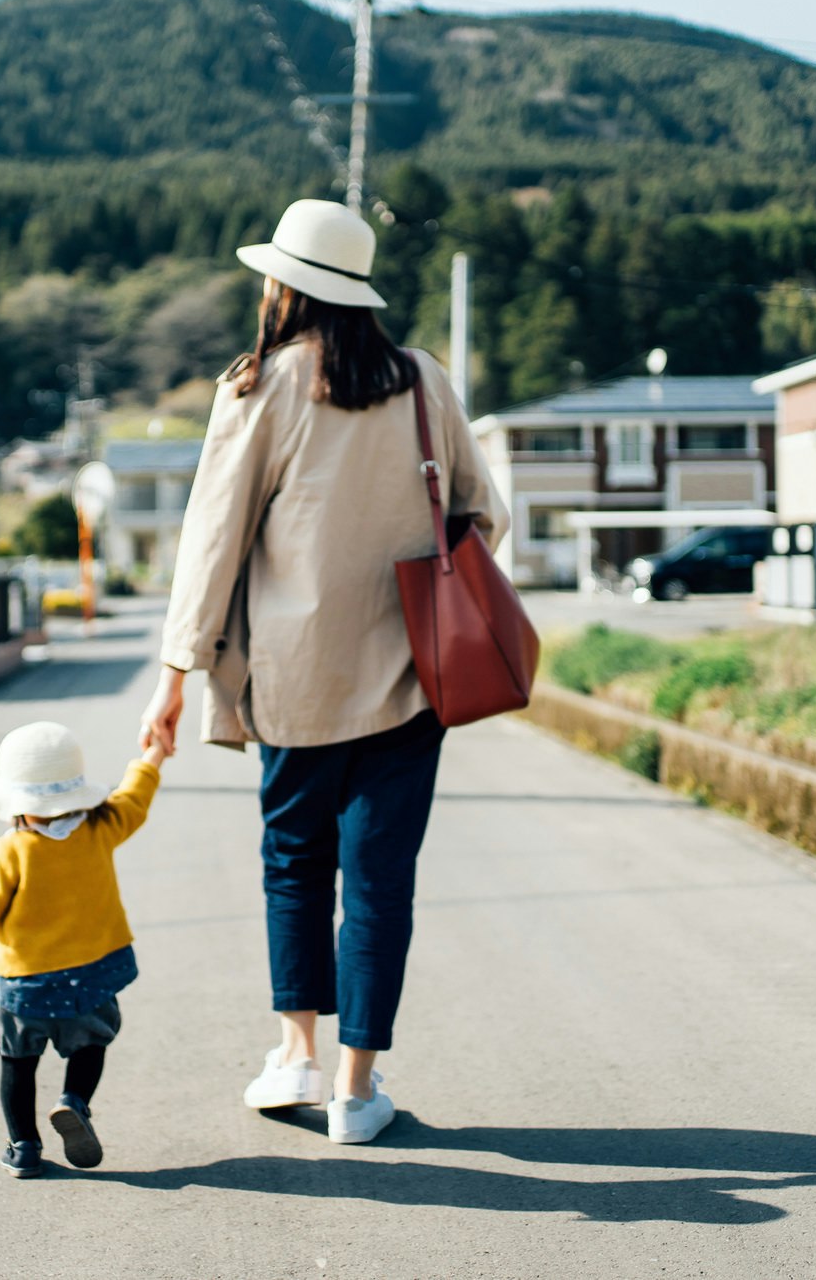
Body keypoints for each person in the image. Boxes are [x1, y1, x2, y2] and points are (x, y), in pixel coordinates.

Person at [140, 198, 507, 1145]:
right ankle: (356, 1089)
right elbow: (483, 514)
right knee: (381, 881)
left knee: (295, 870)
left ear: (285, 286)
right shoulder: (423, 380)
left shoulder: (258, 385)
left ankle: (294, 1056)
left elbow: (212, 539)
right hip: (413, 677)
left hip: (293, 682)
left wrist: (177, 671)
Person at [0, 720, 166, 1178]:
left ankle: (23, 1147)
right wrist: (153, 755)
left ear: (13, 801)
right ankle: (74, 1101)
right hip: (91, 976)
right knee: (91, 1044)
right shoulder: (101, 827)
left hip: (24, 982)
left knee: (18, 1064)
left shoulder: (12, 849)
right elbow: (134, 800)